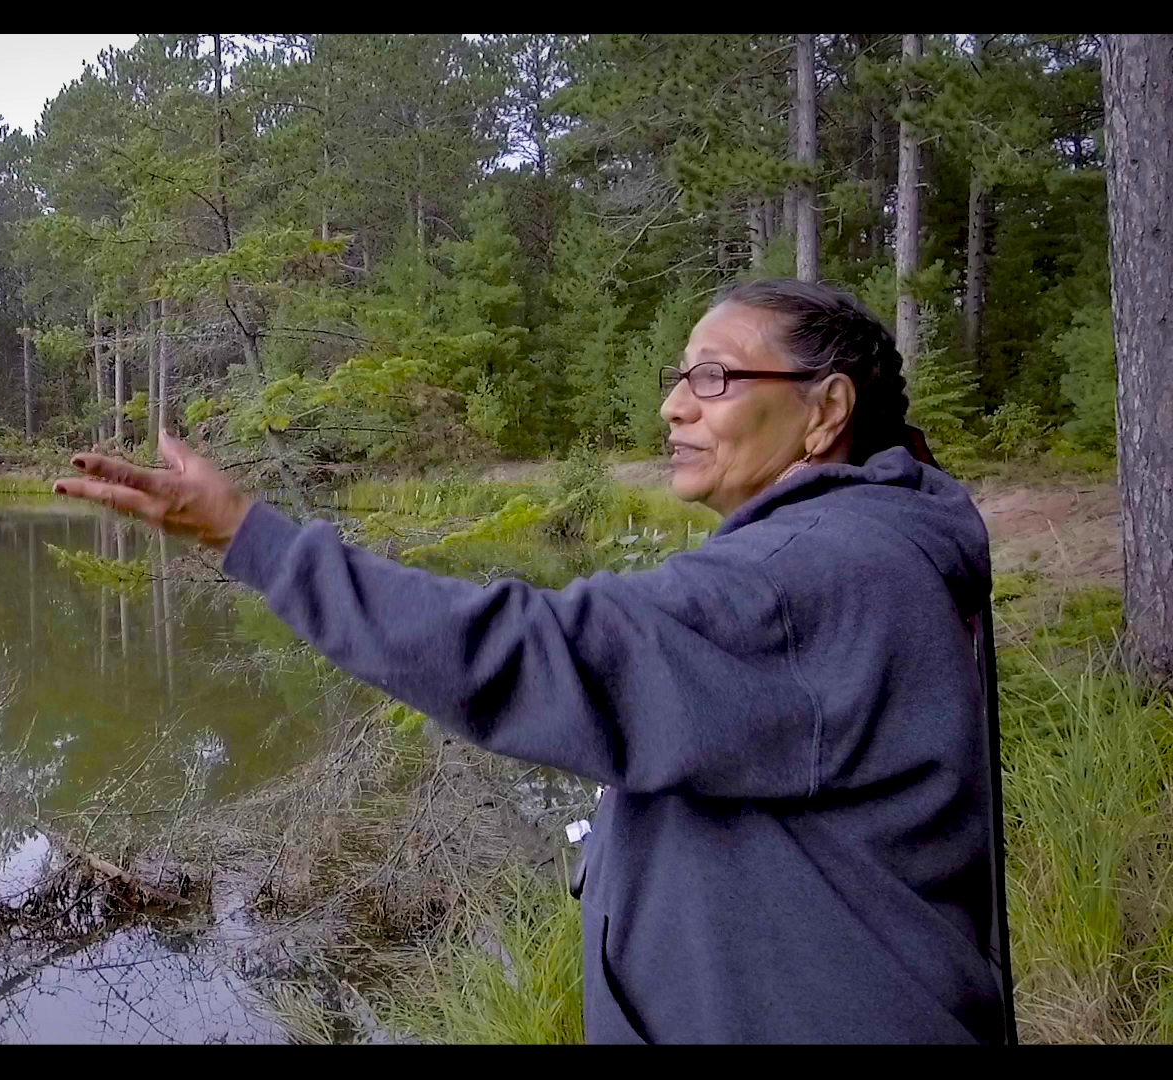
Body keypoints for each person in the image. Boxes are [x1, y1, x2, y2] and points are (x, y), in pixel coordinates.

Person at [53, 278, 1014, 1045]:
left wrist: (248, 538)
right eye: (680, 375)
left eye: (715, 378)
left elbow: (529, 654)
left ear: (824, 410)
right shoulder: (868, 546)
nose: (674, 405)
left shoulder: (807, 575)